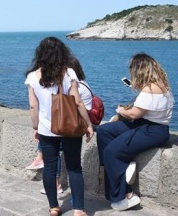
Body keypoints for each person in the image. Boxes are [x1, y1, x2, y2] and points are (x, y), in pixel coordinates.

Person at [24, 37, 94, 216]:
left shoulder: (32, 76)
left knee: (49, 167)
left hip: (47, 129)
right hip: (69, 127)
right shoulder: (69, 72)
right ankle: (78, 209)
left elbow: (33, 106)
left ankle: (54, 207)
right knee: (74, 167)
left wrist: (36, 127)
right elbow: (78, 102)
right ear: (62, 53)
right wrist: (88, 124)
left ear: (40, 54)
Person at [96, 53, 173, 211]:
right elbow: (145, 109)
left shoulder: (150, 88)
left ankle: (126, 196)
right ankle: (117, 169)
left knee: (111, 152)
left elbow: (134, 114)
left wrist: (120, 110)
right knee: (104, 131)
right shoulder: (159, 84)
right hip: (145, 125)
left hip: (153, 130)